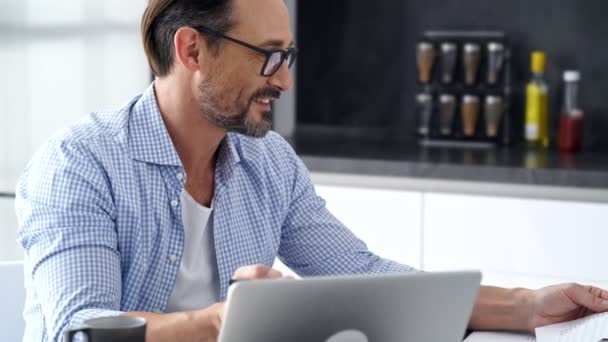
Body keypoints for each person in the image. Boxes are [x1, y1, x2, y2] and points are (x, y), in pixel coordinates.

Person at [15, 0, 608, 341]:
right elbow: (81, 329)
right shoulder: (79, 164)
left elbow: (363, 274)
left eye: (289, 56)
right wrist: (225, 321)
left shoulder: (266, 160)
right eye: (269, 56)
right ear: (192, 50)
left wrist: (527, 306)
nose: (285, 79)